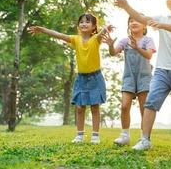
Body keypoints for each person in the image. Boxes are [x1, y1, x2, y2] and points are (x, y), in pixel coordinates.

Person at [115, 0, 171, 150]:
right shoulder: (161, 18)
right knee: (150, 103)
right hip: (161, 69)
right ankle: (145, 140)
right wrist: (126, 7)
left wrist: (163, 25)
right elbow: (141, 18)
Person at [29, 13, 112, 144]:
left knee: (95, 107)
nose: (84, 24)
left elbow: (102, 33)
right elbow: (58, 34)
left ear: (94, 26)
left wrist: (106, 28)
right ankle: (79, 135)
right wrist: (42, 29)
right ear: (78, 25)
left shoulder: (96, 39)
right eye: (81, 22)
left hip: (95, 77)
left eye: (87, 22)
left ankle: (95, 135)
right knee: (79, 107)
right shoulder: (75, 39)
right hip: (81, 78)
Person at [103, 16, 156, 145]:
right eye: (131, 21)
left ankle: (144, 137)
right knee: (125, 106)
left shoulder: (148, 40)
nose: (133, 22)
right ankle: (125, 135)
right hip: (129, 77)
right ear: (128, 25)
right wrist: (110, 45)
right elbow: (113, 52)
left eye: (137, 20)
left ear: (144, 26)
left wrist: (137, 47)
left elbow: (149, 55)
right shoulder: (124, 41)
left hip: (144, 77)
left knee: (144, 109)